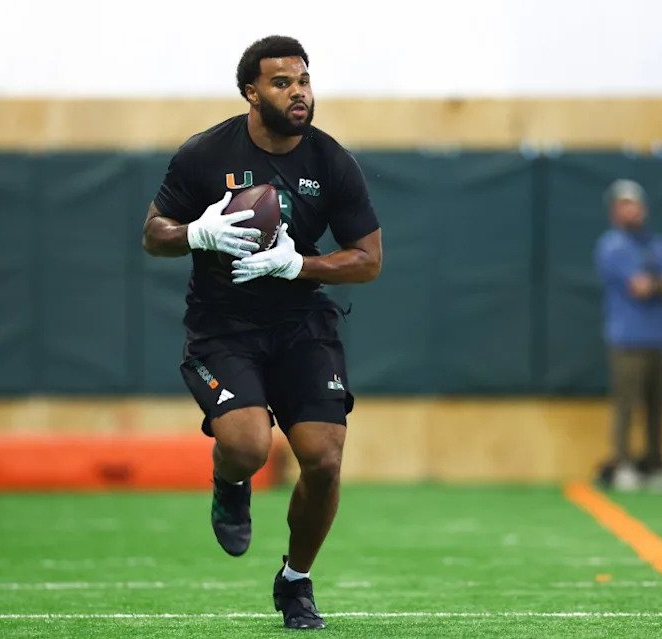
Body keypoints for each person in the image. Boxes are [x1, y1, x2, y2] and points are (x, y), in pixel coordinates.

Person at [142, 35, 382, 629]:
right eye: (282, 83)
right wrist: (197, 233)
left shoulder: (331, 161)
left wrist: (300, 263)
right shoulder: (203, 154)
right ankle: (230, 480)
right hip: (224, 326)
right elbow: (153, 232)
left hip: (301, 324)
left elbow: (368, 260)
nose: (298, 93)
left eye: (304, 80)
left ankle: (295, 581)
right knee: (249, 446)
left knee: (323, 460)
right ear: (251, 91)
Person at [594, 179, 662, 491]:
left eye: (633, 203)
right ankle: (622, 465)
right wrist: (658, 285)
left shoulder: (657, 244)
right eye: (622, 204)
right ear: (614, 211)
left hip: (658, 337)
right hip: (626, 338)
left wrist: (655, 285)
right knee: (626, 405)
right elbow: (640, 287)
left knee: (658, 404)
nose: (629, 210)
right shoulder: (612, 245)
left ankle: (655, 465)